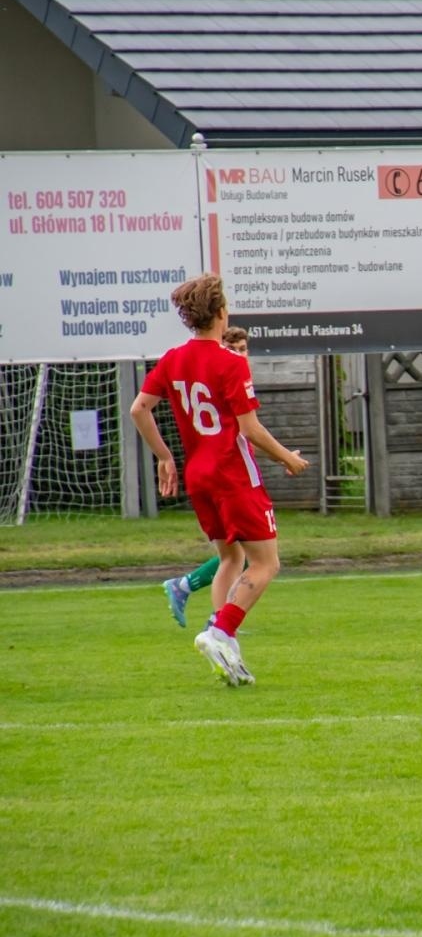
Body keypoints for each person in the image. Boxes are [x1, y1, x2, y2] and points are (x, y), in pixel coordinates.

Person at [129, 275, 308, 685]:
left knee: (231, 558)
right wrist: (287, 459)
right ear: (222, 315)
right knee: (266, 563)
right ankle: (220, 631)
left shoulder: (173, 358)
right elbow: (250, 429)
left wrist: (164, 457)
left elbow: (139, 409)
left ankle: (229, 651)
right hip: (231, 474)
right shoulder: (231, 362)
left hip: (199, 477)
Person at [161, 325, 251, 627]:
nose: (239, 353)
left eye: (243, 348)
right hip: (223, 475)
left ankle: (215, 618)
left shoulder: (235, 373)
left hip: (220, 472)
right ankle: (214, 618)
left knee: (241, 554)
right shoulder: (222, 372)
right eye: (234, 347)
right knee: (244, 555)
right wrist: (284, 455)